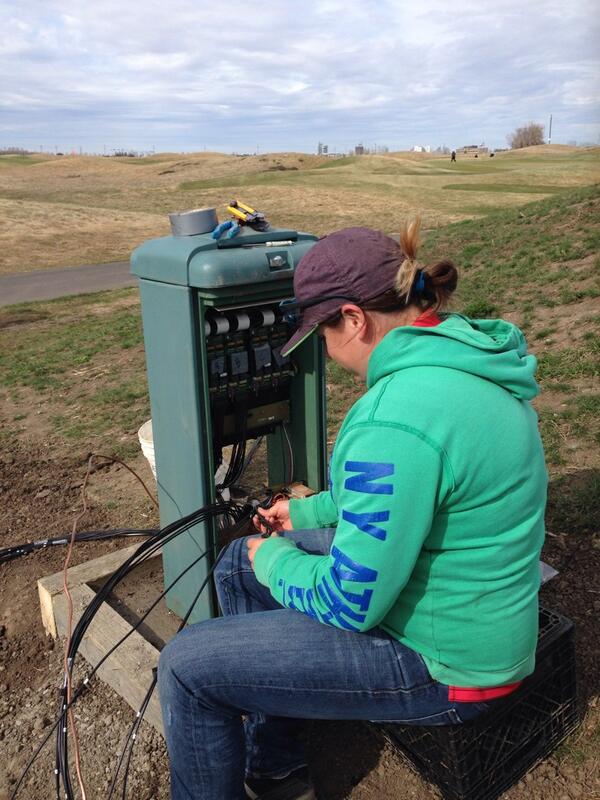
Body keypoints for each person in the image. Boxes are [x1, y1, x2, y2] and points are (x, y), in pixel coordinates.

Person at [158, 222, 547, 800]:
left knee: (186, 668)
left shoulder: (392, 417)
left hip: (447, 668)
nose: (326, 350)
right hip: (483, 623)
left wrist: (276, 561)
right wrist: (306, 513)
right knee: (238, 561)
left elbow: (349, 603)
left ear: (355, 318)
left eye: (322, 334)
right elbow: (411, 490)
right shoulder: (466, 359)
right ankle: (276, 762)